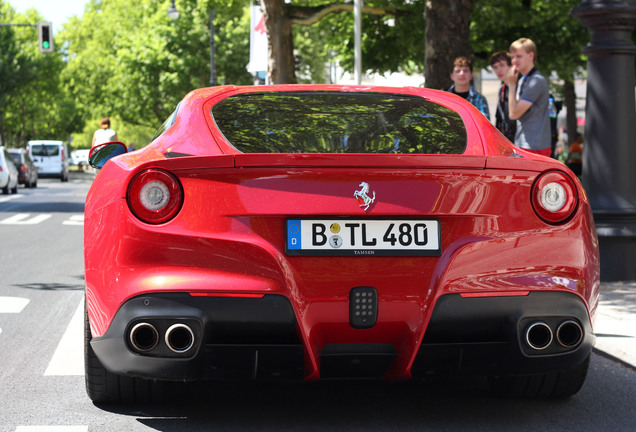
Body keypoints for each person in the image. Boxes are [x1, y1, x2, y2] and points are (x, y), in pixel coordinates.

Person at [504, 38, 551, 156]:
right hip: (527, 144)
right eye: (512, 57)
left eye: (519, 56)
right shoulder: (524, 80)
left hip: (534, 146)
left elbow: (513, 114)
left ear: (531, 55)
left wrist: (511, 85)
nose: (514, 61)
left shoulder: (536, 81)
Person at [489, 51, 516, 142]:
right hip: (505, 141)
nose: (499, 70)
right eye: (495, 67)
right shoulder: (501, 89)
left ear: (511, 65)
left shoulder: (520, 86)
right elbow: (499, 118)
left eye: (502, 65)